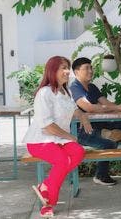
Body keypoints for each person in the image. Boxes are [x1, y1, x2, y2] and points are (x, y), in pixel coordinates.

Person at [23, 56, 91, 218]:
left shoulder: (65, 91)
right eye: (63, 68)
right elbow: (47, 125)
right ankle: (49, 203)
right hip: (40, 140)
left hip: (58, 139)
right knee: (62, 161)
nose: (67, 71)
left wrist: (82, 116)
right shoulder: (44, 93)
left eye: (67, 67)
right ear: (52, 71)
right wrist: (70, 136)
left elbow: (74, 108)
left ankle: (45, 186)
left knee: (78, 153)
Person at [70, 57, 121, 186]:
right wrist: (117, 107)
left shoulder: (92, 87)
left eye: (91, 67)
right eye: (86, 68)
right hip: (81, 130)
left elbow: (107, 104)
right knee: (109, 145)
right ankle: (100, 175)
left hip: (98, 125)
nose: (90, 71)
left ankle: (108, 133)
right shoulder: (74, 87)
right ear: (76, 72)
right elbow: (88, 107)